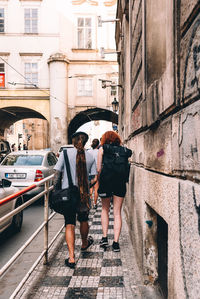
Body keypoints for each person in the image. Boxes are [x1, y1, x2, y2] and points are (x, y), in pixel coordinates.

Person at [53, 131, 97, 268]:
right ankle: (84, 243)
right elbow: (94, 178)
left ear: (73, 141)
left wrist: (56, 191)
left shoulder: (65, 154)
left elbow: (57, 174)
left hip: (68, 195)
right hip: (83, 196)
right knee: (84, 219)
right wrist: (86, 186)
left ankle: (71, 258)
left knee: (69, 223)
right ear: (85, 142)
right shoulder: (90, 157)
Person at [97, 131, 132, 252]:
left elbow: (98, 168)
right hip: (120, 183)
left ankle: (105, 238)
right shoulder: (124, 150)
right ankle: (116, 243)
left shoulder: (103, 149)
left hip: (106, 181)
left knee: (105, 209)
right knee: (117, 212)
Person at [87, 138, 99, 209]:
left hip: (89, 171)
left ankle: (90, 202)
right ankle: (95, 203)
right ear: (98, 145)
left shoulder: (88, 151)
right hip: (97, 171)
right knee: (96, 187)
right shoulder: (99, 151)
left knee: (90, 187)